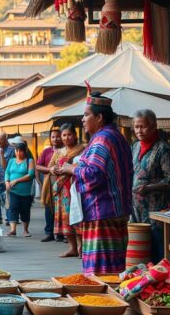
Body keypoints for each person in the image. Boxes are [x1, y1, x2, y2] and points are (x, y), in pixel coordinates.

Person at [57, 89, 133, 275]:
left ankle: (106, 303)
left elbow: (93, 174)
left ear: (99, 117)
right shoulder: (117, 136)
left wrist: (71, 169)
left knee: (101, 270)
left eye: (86, 115)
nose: (82, 120)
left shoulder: (102, 139)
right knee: (115, 266)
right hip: (116, 210)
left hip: (102, 212)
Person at [131, 109, 170, 263]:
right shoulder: (135, 146)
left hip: (156, 209)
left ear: (154, 126)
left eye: (143, 126)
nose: (139, 131)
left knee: (157, 246)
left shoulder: (163, 149)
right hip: (136, 208)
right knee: (140, 248)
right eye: (136, 127)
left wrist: (148, 187)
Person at [49, 123, 85, 257]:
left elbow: (83, 165)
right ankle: (72, 247)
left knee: (78, 215)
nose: (66, 137)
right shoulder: (59, 152)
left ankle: (81, 246)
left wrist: (69, 168)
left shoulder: (82, 149)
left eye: (69, 134)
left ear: (75, 135)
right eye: (64, 135)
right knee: (65, 218)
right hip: (62, 189)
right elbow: (50, 167)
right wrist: (53, 170)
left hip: (75, 187)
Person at [36, 126, 64, 242]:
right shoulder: (46, 151)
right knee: (49, 208)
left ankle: (62, 233)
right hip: (49, 182)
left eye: (58, 136)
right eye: (53, 137)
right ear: (50, 138)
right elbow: (38, 166)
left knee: (63, 209)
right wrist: (49, 170)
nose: (56, 139)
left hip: (63, 182)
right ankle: (49, 232)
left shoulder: (67, 150)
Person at [5, 136, 35, 237]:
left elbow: (30, 174)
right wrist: (7, 182)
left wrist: (16, 180)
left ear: (24, 151)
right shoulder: (11, 161)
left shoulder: (29, 161)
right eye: (16, 151)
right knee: (13, 208)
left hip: (26, 192)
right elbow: (7, 173)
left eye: (20, 151)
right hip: (13, 191)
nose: (18, 153)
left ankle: (26, 230)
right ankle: (12, 230)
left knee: (25, 210)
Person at [0, 132, 15, 225]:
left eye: (0, 140)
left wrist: (1, 155)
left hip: (6, 179)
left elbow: (8, 167)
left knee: (7, 200)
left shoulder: (12, 150)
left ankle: (9, 219)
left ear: (6, 139)